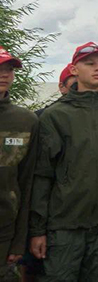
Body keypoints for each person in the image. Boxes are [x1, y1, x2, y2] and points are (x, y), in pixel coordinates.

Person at [29, 42, 98, 281]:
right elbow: (42, 175)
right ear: (74, 69)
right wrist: (37, 230)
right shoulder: (55, 116)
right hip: (64, 226)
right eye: (90, 64)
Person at [0, 48, 38, 280]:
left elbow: (27, 182)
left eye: (9, 69)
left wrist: (18, 242)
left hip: (4, 232)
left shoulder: (26, 121)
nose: (4, 74)